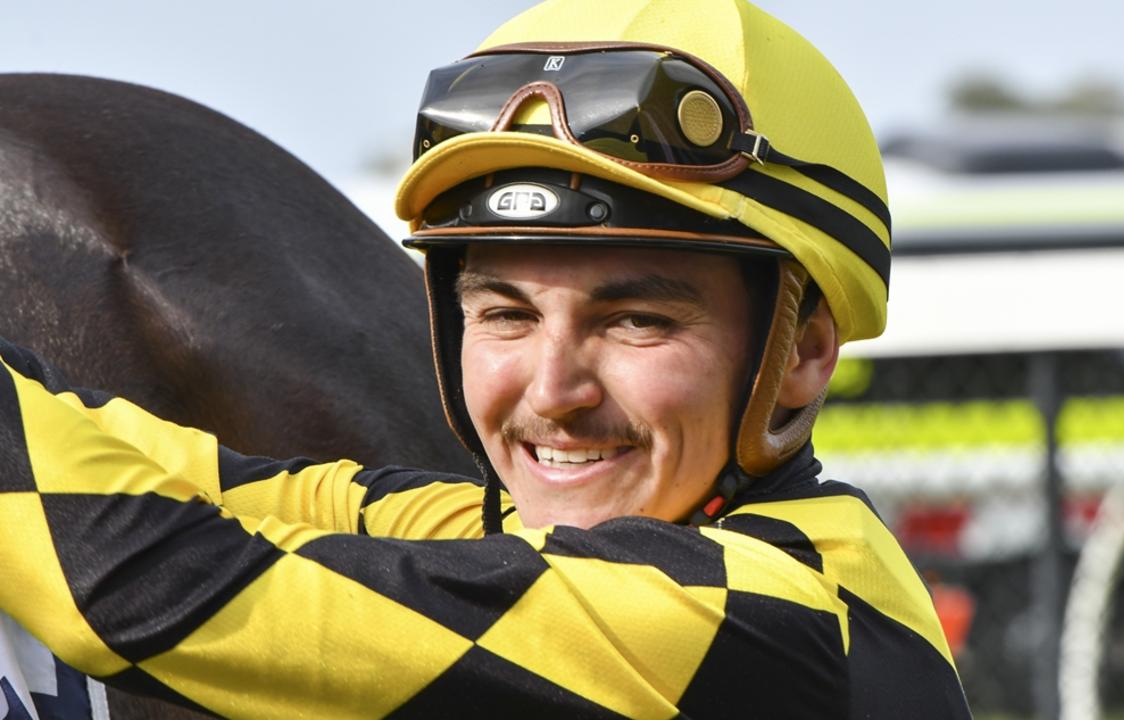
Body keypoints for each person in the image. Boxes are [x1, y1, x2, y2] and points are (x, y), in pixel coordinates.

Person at [0, 0, 971, 717]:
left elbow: (137, 587)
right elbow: (208, 483)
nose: (551, 393)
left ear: (801, 353)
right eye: (503, 315)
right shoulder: (498, 528)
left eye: (632, 321)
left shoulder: (757, 619)